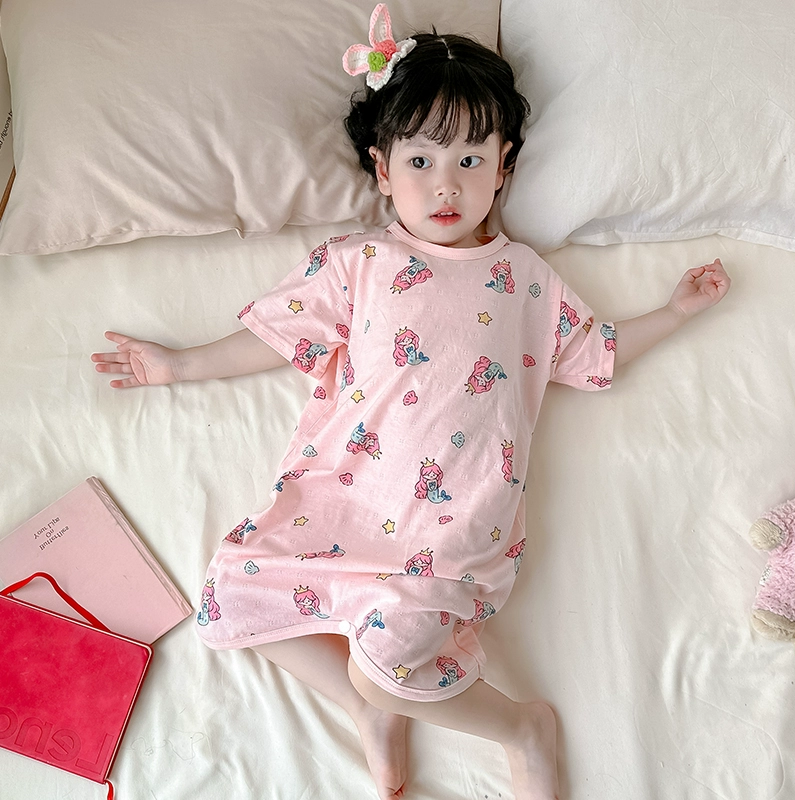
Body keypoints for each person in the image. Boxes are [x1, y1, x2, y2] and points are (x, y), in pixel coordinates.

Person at [91, 5, 731, 798]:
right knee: (227, 600)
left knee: (391, 660)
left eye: (471, 159)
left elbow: (594, 352)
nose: (447, 184)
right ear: (383, 169)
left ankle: (520, 727)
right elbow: (280, 337)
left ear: (504, 168)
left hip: (451, 527)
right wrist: (180, 366)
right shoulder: (357, 261)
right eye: (421, 160)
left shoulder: (526, 280)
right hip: (344, 504)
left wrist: (673, 314)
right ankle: (366, 702)